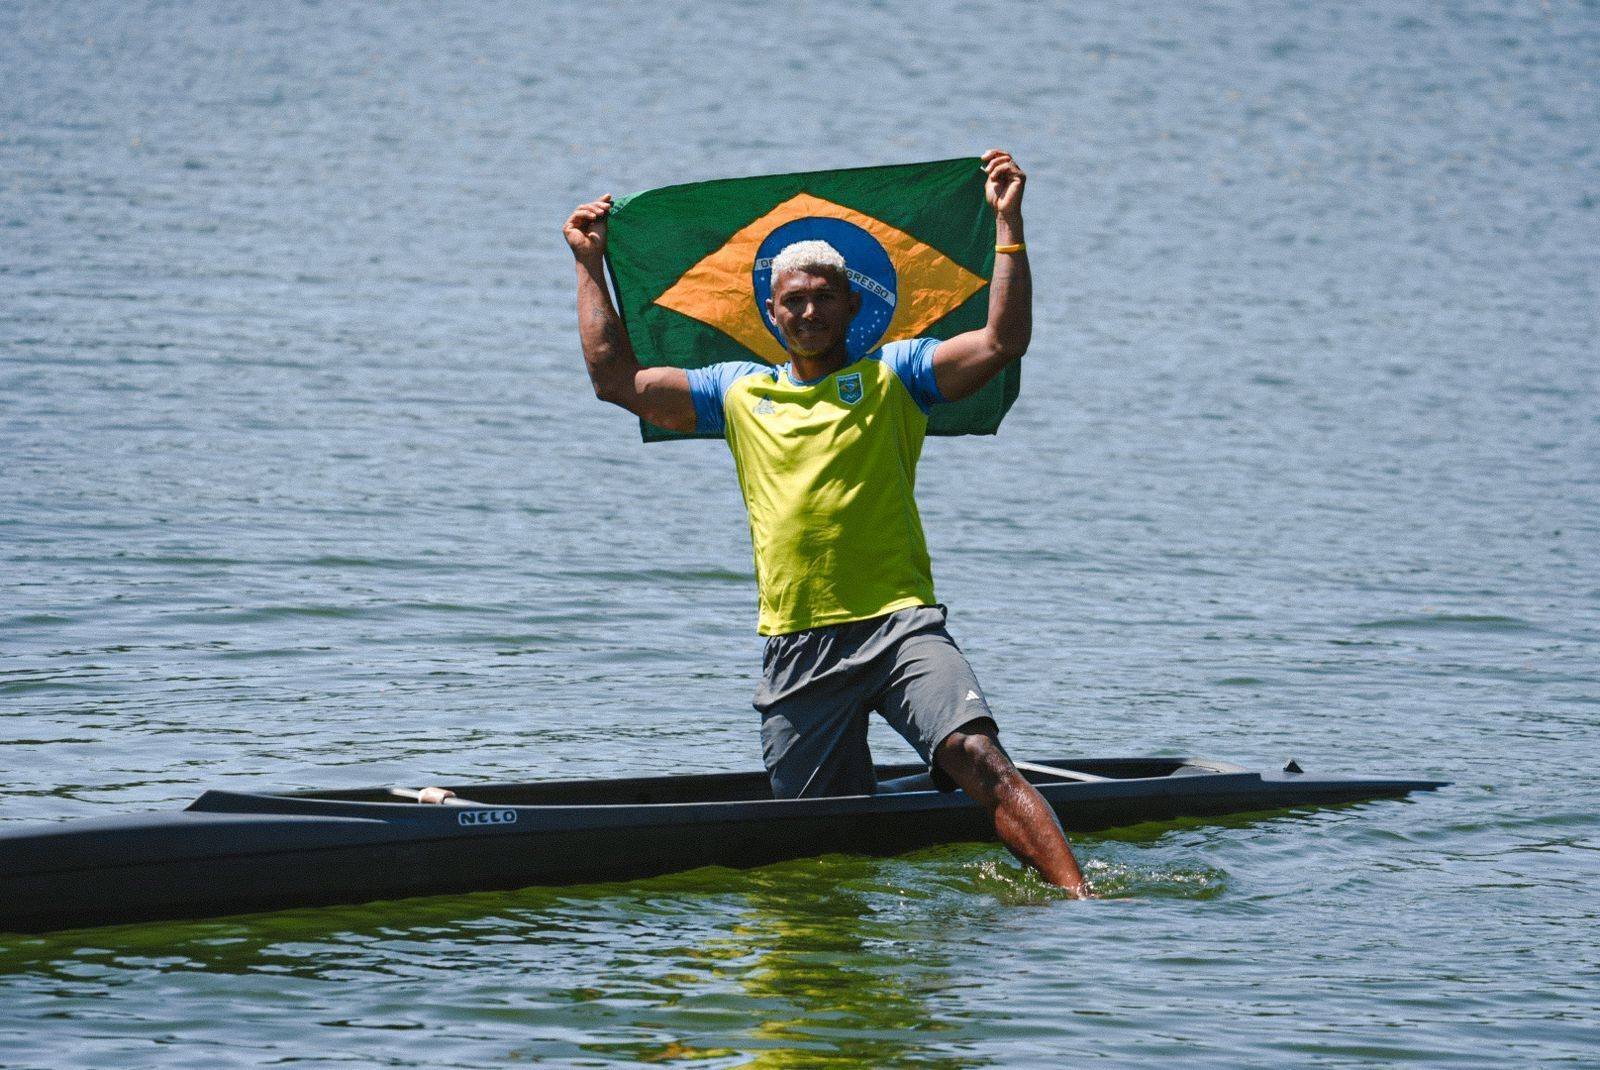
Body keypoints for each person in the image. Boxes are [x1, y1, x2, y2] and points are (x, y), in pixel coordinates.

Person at [561, 150, 1089, 896]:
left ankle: (1082, 905)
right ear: (770, 313)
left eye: (822, 298)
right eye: (791, 302)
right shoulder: (736, 393)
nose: (807, 312)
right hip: (797, 645)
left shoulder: (896, 376)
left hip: (901, 628)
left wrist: (1008, 224)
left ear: (850, 306)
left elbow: (1002, 342)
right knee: (822, 845)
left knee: (981, 758)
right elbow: (616, 381)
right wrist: (588, 264)